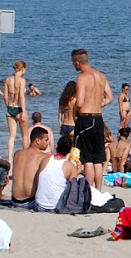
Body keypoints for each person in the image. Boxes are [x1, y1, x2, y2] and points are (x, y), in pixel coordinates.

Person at [71, 47, 112, 193]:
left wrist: (74, 110)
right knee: (98, 158)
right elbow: (110, 98)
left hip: (86, 119)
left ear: (77, 63)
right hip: (98, 118)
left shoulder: (82, 78)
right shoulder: (101, 76)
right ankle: (99, 191)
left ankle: (88, 191)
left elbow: (80, 102)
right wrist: (97, 104)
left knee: (87, 158)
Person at [34, 134, 83, 211]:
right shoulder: (70, 167)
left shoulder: (45, 160)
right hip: (56, 206)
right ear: (70, 150)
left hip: (39, 204)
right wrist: (77, 172)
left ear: (57, 146)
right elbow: (72, 188)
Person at [10, 126, 52, 204]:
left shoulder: (17, 153)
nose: (48, 143)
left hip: (15, 200)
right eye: (46, 140)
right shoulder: (44, 157)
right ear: (38, 141)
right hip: (30, 201)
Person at [2, 61, 30, 164]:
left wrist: (8, 106)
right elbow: (22, 97)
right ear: (22, 69)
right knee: (24, 135)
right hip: (19, 108)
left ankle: (9, 158)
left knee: (12, 135)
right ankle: (26, 158)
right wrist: (23, 111)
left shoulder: (8, 80)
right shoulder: (22, 81)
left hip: (10, 108)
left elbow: (5, 97)